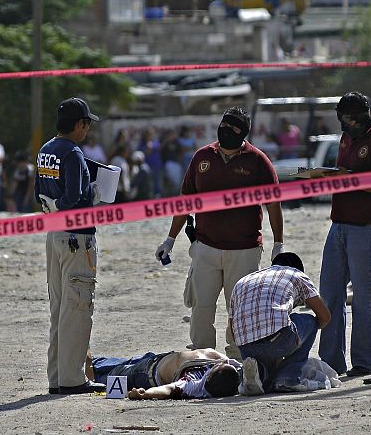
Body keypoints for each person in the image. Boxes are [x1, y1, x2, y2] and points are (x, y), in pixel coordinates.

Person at [155, 106, 284, 359]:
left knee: (239, 310)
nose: (226, 130)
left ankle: (237, 360)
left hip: (244, 250)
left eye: (234, 127)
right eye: (224, 125)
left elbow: (273, 205)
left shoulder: (258, 161)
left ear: (244, 133)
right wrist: (170, 239)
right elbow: (185, 201)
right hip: (205, 247)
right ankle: (202, 360)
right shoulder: (202, 157)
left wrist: (279, 244)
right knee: (201, 308)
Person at [317, 92, 371, 378]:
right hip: (339, 223)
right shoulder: (346, 138)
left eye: (353, 120)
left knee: (364, 294)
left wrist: (351, 182)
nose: (348, 125)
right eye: (344, 121)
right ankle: (331, 363)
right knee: (329, 293)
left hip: (367, 226)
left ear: (366, 113)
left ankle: (365, 361)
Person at [35, 97, 106, 395]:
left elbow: (40, 192)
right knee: (77, 306)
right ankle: (73, 378)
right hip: (78, 237)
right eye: (87, 124)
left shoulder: (45, 150)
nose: (88, 130)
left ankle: (57, 376)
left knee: (59, 306)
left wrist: (53, 207)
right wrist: (96, 192)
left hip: (54, 234)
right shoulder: (73, 153)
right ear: (79, 125)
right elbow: (75, 195)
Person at [230, 252, 330, 395]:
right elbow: (325, 316)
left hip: (246, 346)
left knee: (267, 375)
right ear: (297, 268)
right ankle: (287, 377)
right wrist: (299, 340)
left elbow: (232, 327)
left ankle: (258, 376)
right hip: (280, 338)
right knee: (310, 321)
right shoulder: (296, 275)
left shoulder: (242, 281)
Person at [89, 348, 241, 399]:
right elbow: (169, 389)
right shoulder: (196, 382)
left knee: (103, 369)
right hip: (146, 371)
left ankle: (80, 361)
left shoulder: (222, 360)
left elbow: (168, 389)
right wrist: (145, 394)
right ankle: (81, 361)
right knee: (101, 375)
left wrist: (146, 394)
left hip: (155, 361)